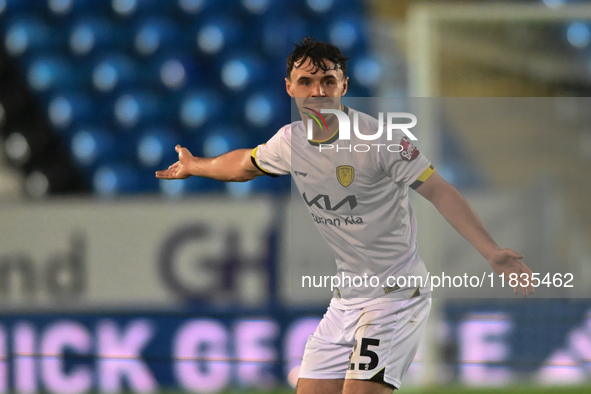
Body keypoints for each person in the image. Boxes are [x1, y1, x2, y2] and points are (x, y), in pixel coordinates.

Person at [156, 37, 534, 394]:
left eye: (327, 81)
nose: (318, 92)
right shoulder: (290, 142)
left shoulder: (381, 140)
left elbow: (440, 191)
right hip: (346, 300)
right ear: (289, 87)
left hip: (396, 295)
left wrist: (491, 251)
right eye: (306, 82)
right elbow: (244, 164)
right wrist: (196, 165)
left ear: (344, 85)